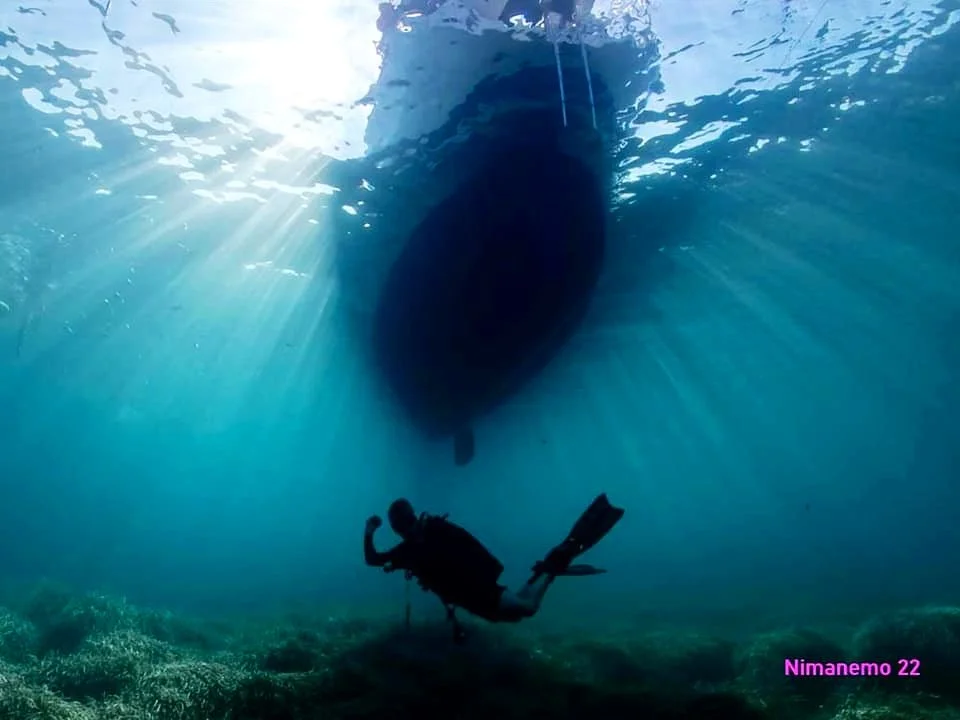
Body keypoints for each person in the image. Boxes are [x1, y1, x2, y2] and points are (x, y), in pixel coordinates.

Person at [364, 493, 624, 639]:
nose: (406, 529)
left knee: (527, 608)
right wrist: (369, 532)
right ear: (397, 530)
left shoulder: (435, 529)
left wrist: (486, 572)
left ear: (413, 516)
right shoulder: (407, 552)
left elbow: (469, 546)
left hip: (479, 589)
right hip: (468, 599)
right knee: (512, 617)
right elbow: (373, 560)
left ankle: (553, 565)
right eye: (399, 526)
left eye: (407, 521)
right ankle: (546, 569)